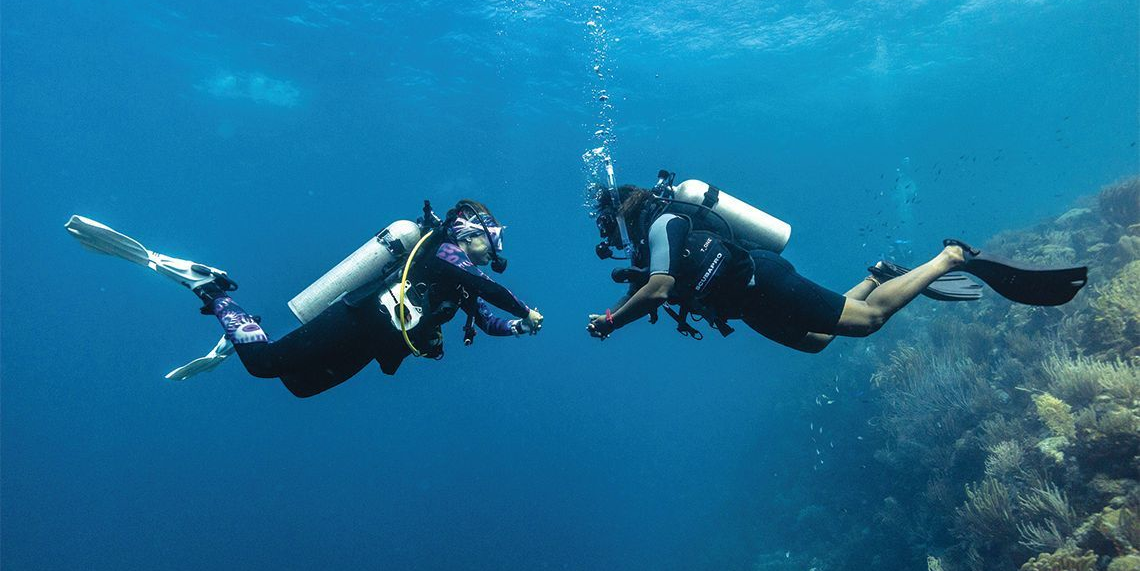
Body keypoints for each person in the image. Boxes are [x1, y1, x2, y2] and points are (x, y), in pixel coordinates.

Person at [67, 200, 543, 397]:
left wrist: (517, 327)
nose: (495, 243)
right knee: (264, 363)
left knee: (299, 386)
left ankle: (240, 322)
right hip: (358, 322)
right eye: (491, 232)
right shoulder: (442, 250)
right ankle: (212, 291)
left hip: (379, 343)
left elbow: (484, 318)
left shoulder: (461, 279)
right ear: (467, 228)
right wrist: (524, 309)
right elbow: (489, 290)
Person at [585, 182, 1086, 352]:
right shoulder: (655, 239)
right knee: (816, 342)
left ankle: (949, 256)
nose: (610, 235)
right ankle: (878, 276)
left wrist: (610, 321)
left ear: (622, 211)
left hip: (762, 281)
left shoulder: (664, 221)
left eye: (607, 223)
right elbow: (658, 288)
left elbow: (658, 289)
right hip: (747, 304)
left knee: (863, 323)